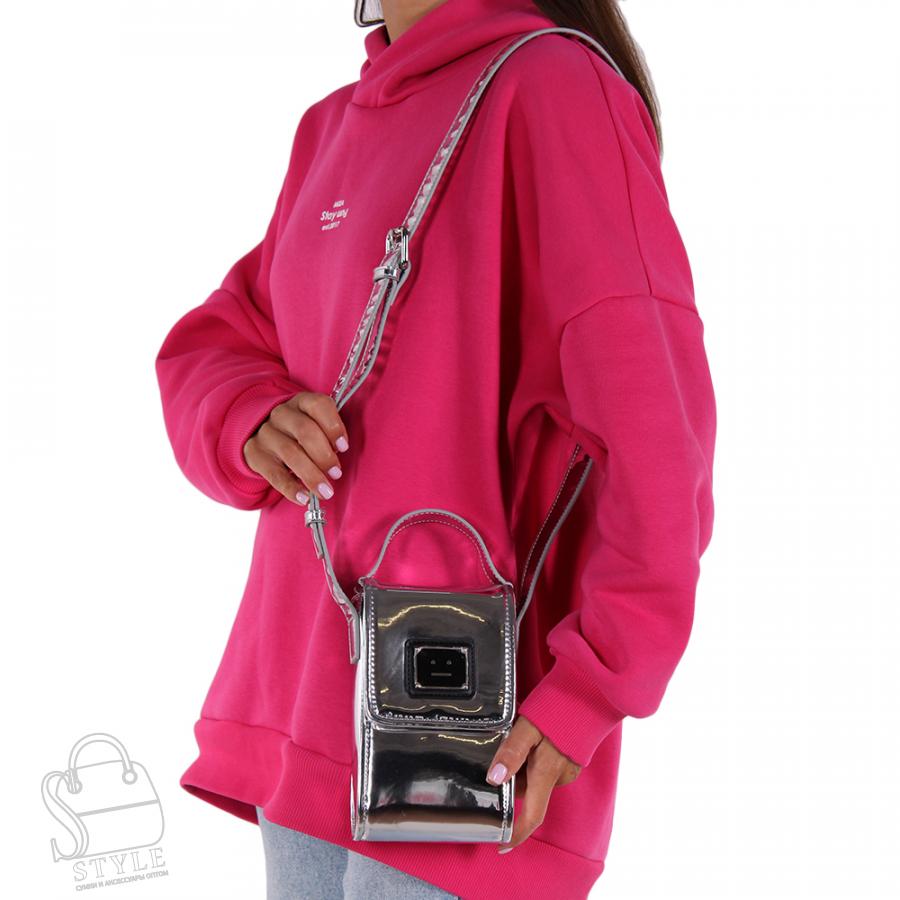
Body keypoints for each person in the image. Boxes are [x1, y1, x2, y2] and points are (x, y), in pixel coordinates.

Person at [154, 0, 717, 897]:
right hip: (300, 718)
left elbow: (655, 433)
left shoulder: (554, 88)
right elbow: (216, 339)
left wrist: (589, 689)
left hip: (470, 732)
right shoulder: (332, 128)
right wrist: (248, 416)